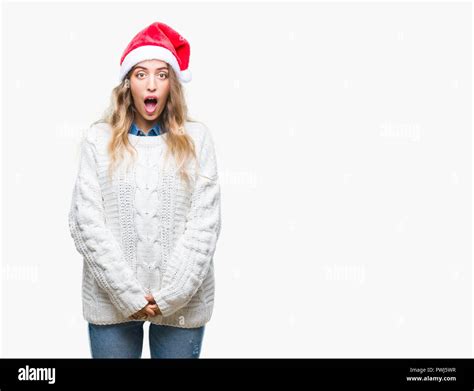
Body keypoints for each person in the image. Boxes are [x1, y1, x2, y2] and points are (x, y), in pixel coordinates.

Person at [68, 21, 222, 358]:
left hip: (183, 304)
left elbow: (204, 227)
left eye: (161, 74)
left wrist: (170, 297)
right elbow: (86, 224)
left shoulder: (199, 141)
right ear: (128, 84)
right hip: (111, 303)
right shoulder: (98, 140)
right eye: (141, 74)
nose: (151, 84)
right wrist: (127, 294)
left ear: (172, 84)